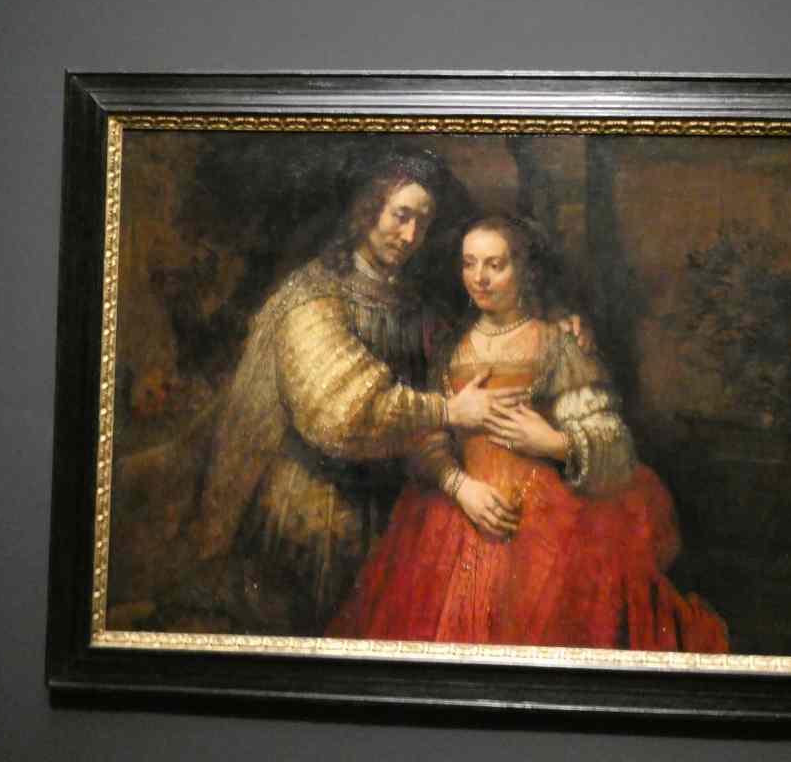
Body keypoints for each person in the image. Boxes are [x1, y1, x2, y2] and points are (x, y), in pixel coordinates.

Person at [109, 150, 528, 636]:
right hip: (310, 518)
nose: (411, 235)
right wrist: (447, 411)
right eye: (401, 215)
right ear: (369, 209)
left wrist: (556, 329)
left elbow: (468, 367)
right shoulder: (311, 297)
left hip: (397, 506)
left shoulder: (418, 309)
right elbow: (344, 414)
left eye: (423, 221)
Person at [329, 215, 729, 652]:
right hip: (457, 511)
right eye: (469, 263)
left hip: (542, 523)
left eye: (495, 264)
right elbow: (426, 438)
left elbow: (612, 442)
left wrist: (552, 443)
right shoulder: (449, 347)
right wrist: (461, 487)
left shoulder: (557, 342)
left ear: (523, 269)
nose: (479, 278)